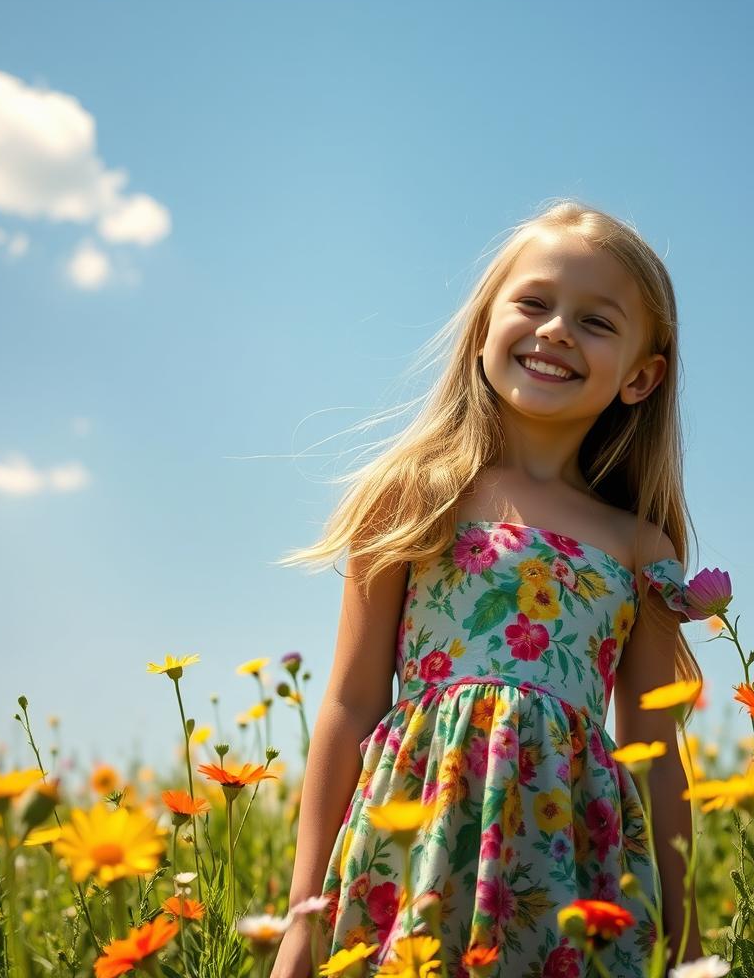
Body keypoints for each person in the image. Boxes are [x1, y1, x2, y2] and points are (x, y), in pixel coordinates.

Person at [271, 199, 706, 977]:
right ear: (482, 331)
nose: (557, 331)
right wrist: (302, 918)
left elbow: (655, 752)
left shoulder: (642, 549)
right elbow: (348, 704)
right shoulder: (414, 494)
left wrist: (686, 934)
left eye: (596, 322)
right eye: (534, 303)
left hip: (573, 862)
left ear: (641, 377)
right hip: (416, 847)